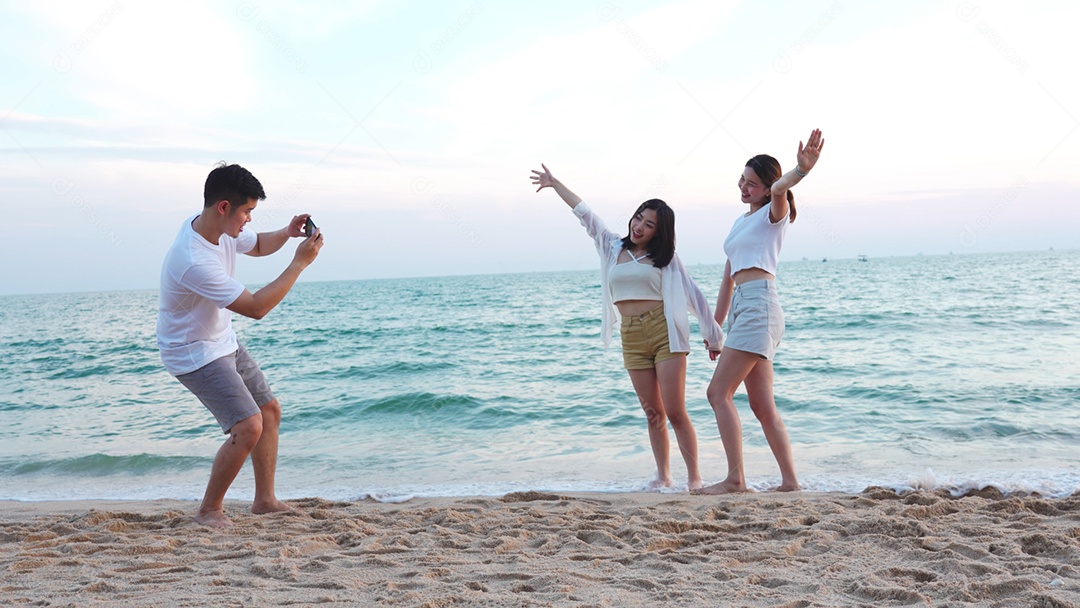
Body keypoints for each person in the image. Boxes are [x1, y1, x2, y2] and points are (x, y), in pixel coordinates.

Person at [531, 164, 723, 490]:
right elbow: (585, 214)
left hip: (665, 334)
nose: (640, 226)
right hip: (631, 336)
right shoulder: (612, 247)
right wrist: (555, 183)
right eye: (638, 218)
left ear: (659, 232)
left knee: (676, 412)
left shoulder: (666, 259)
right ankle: (663, 476)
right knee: (653, 413)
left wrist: (713, 335)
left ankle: (694, 479)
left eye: (649, 224)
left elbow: (694, 295)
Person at [156, 162, 324, 527]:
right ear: (223, 207)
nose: (248, 219)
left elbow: (260, 244)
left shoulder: (218, 227)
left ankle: (264, 500)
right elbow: (257, 308)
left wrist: (288, 232)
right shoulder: (193, 260)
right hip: (191, 351)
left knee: (269, 412)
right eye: (247, 211)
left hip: (221, 339)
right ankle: (208, 510)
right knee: (248, 426)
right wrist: (299, 264)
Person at [694, 129, 824, 495]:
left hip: (760, 306)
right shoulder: (740, 223)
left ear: (767, 189)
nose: (744, 187)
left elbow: (783, 189)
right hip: (744, 309)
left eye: (753, 184)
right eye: (743, 180)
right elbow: (727, 279)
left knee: (717, 393)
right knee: (761, 405)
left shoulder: (773, 214)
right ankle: (791, 482)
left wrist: (800, 170)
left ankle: (735, 480)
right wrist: (715, 327)